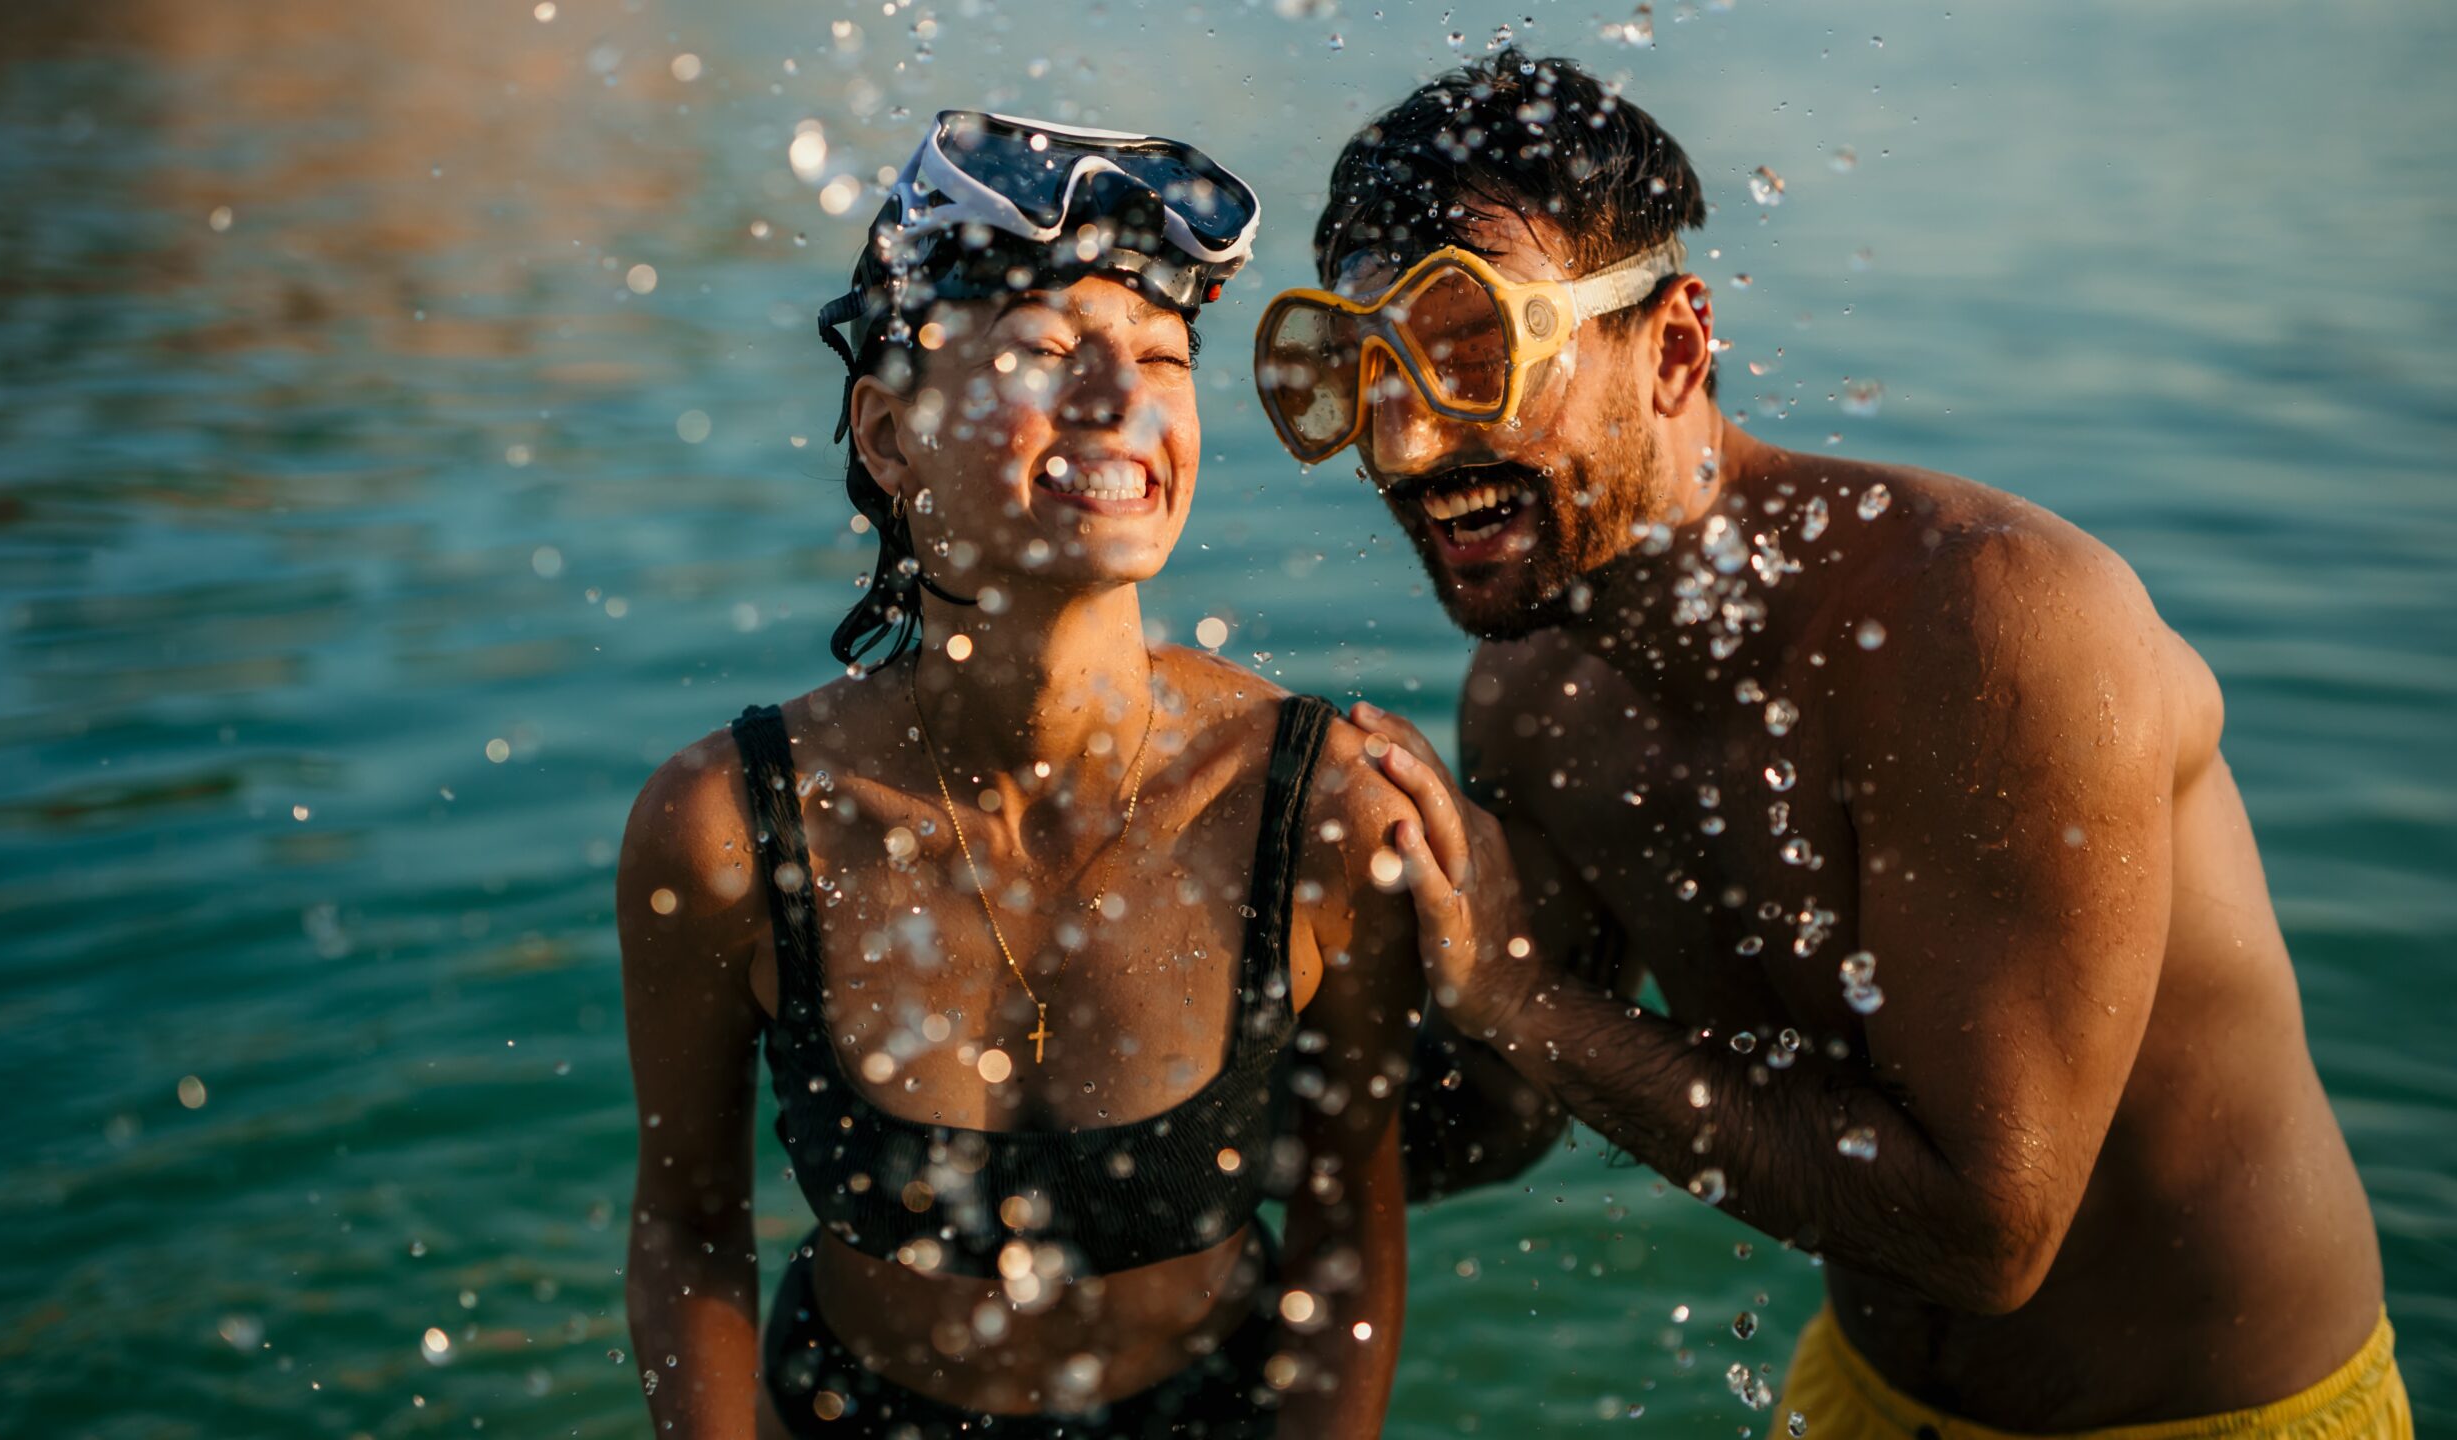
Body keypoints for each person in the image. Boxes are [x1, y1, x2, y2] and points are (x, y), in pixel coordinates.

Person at [1256, 50, 2412, 1440]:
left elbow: (1989, 1234)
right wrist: (1169, 1117)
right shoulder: (1539, 705)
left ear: (1676, 347)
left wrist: (1511, 993)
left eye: (1471, 348)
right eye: (1359, 367)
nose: (1405, 439)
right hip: (1858, 1397)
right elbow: (1515, 1110)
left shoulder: (1989, 628)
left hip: (2228, 1416)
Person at [618, 111, 1421, 1439]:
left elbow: (1350, 1220)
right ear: (889, 438)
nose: (1118, 401)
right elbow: (691, 1226)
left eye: (1162, 359)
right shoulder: (730, 828)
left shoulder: (1317, 803)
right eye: (1048, 353)